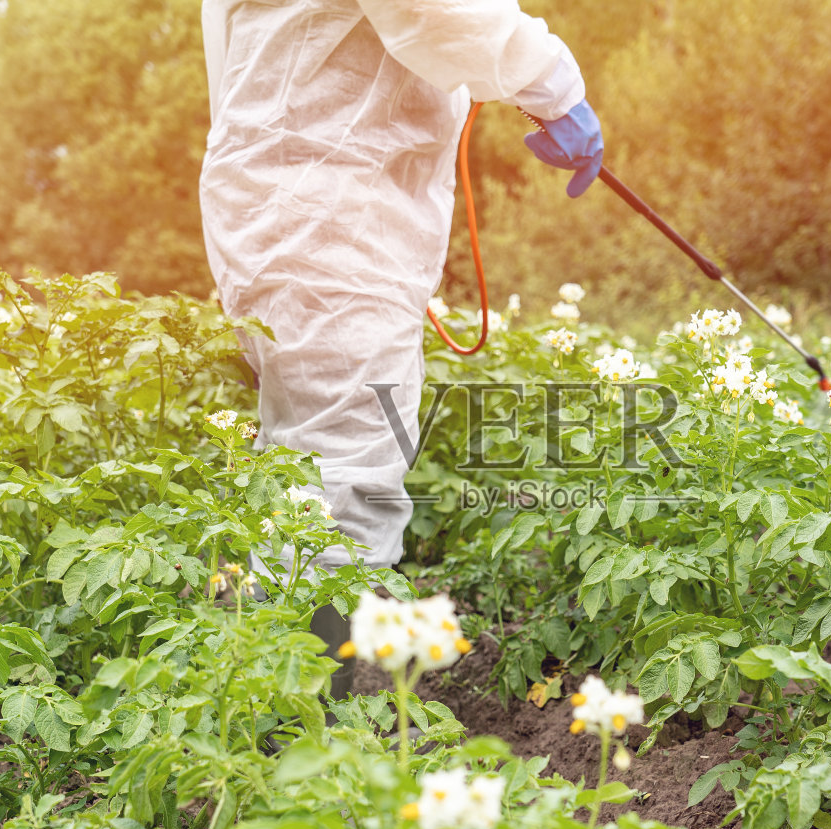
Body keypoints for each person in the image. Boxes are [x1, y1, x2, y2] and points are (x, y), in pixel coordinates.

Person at [198, 0, 604, 698]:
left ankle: (241, 720)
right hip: (329, 218)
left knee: (301, 474)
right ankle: (292, 753)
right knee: (340, 484)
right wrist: (553, 82)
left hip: (286, 207)